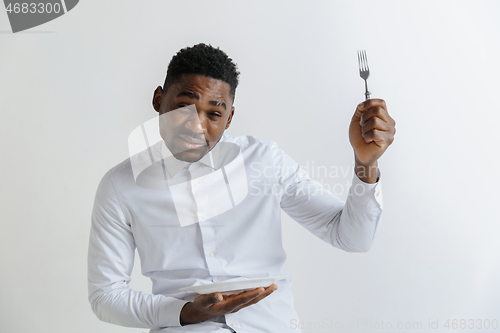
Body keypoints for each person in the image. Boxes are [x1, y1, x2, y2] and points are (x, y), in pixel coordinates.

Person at [87, 43, 396, 333]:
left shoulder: (265, 160)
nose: (196, 126)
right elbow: (105, 296)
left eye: (214, 114)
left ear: (229, 117)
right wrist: (185, 312)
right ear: (158, 100)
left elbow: (353, 239)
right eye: (184, 107)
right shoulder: (120, 186)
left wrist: (365, 164)